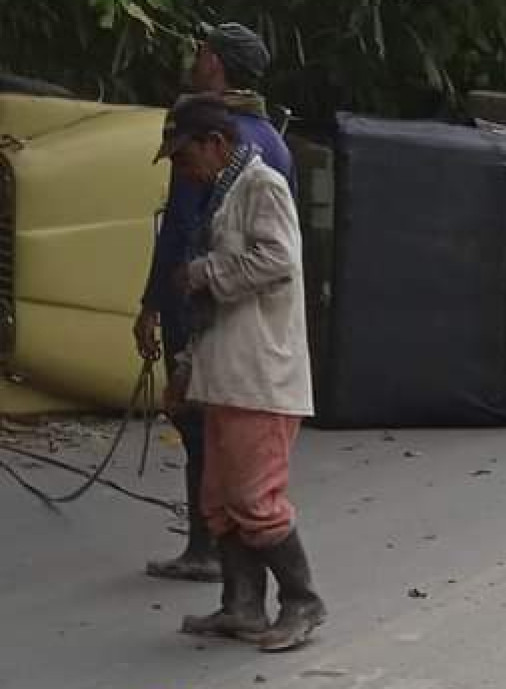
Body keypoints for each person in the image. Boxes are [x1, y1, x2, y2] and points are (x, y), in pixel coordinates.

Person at [156, 94, 325, 652]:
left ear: (216, 144)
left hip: (260, 377)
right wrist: (186, 368)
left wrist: (205, 271)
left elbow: (278, 261)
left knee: (255, 500)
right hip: (225, 374)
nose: (184, 170)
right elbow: (211, 310)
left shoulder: (261, 187)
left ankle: (302, 602)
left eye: (186, 157)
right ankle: (242, 605)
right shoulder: (223, 196)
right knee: (220, 501)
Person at [134, 22, 293, 582]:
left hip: (206, 306)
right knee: (226, 438)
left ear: (217, 64)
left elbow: (182, 231)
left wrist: (155, 303)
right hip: (254, 321)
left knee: (204, 430)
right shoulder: (273, 141)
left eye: (202, 53)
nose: (196, 60)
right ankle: (237, 587)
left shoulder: (205, 140)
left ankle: (217, 554)